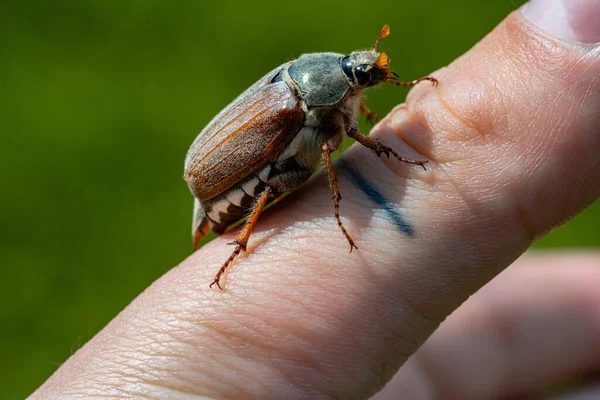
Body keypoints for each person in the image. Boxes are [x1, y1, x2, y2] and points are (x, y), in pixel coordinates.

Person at [31, 1, 600, 398]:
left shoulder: (331, 95)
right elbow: (332, 144)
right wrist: (363, 175)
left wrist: (380, 107)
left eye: (369, 76)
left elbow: (351, 115)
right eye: (361, 78)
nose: (370, 80)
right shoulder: (304, 112)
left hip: (270, 140)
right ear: (334, 84)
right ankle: (244, 243)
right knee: (282, 179)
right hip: (228, 183)